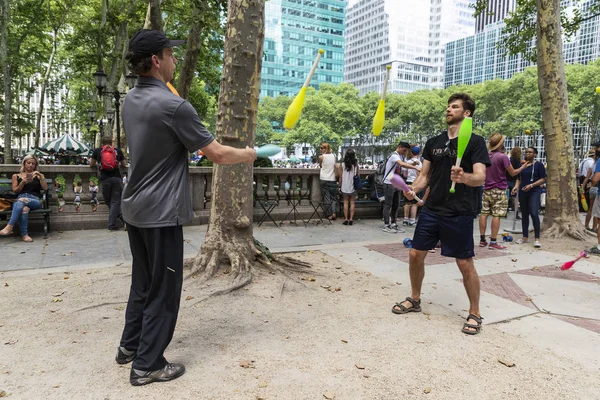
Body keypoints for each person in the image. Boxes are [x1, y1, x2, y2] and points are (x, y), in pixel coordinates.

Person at [117, 29, 256, 386]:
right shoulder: (174, 106)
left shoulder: (130, 100)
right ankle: (147, 365)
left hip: (134, 206)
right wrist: (250, 153)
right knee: (164, 289)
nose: (175, 59)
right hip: (160, 212)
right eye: (170, 54)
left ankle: (130, 347)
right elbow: (219, 154)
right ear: (155, 61)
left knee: (143, 283)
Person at [391, 93, 490, 335]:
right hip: (433, 208)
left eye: (454, 107)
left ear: (466, 113)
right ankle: (415, 299)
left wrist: (463, 177)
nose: (448, 109)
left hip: (460, 211)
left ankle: (475, 312)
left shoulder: (475, 142)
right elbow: (425, 176)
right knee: (415, 254)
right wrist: (413, 189)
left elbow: (480, 177)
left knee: (464, 262)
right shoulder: (434, 141)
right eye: (448, 106)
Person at [478, 134, 531, 250]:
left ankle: (482, 240)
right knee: (497, 215)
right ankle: (493, 241)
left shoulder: (486, 156)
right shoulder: (503, 157)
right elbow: (512, 173)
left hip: (486, 188)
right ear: (500, 144)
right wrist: (523, 167)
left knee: (484, 213)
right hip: (499, 189)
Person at [0, 155, 48, 242]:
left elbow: (45, 188)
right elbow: (15, 191)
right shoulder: (16, 176)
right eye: (28, 163)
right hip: (20, 199)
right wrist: (22, 182)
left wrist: (41, 177)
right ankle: (25, 235)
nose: (30, 165)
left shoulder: (38, 176)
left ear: (35, 165)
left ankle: (9, 226)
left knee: (21, 201)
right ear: (24, 163)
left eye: (33, 164)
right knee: (24, 208)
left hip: (35, 200)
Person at [90, 136, 127, 230]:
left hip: (105, 179)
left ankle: (112, 224)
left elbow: (91, 164)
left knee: (108, 201)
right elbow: (124, 164)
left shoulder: (98, 151)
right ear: (111, 143)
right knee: (115, 202)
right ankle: (122, 217)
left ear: (102, 143)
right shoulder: (117, 151)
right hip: (117, 178)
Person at [512, 147, 546, 248]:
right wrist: (516, 187)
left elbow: (542, 179)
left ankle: (537, 238)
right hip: (523, 191)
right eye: (526, 152)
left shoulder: (539, 165)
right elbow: (519, 178)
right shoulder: (522, 165)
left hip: (534, 191)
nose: (527, 154)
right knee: (524, 214)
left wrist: (531, 186)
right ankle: (525, 237)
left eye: (530, 152)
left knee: (534, 213)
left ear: (535, 154)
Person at [382, 141, 418, 233]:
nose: (405, 152)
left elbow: (406, 165)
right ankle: (386, 225)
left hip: (397, 183)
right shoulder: (394, 156)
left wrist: (414, 164)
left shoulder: (401, 156)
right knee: (388, 204)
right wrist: (415, 167)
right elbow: (402, 164)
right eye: (404, 150)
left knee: (396, 204)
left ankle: (393, 223)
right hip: (389, 182)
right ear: (399, 147)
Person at [402, 146, 423, 227]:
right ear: (419, 153)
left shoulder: (407, 162)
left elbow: (404, 174)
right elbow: (419, 174)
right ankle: (412, 220)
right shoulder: (419, 163)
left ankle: (405, 219)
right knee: (414, 203)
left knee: (407, 202)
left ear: (411, 152)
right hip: (415, 183)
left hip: (408, 182)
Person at [318, 142, 338, 220]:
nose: (320, 149)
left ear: (326, 149)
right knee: (333, 197)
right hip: (332, 178)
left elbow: (321, 166)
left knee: (326, 197)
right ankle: (334, 213)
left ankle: (328, 214)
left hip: (324, 178)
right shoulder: (333, 156)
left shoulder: (321, 157)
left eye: (322, 148)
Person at [339, 148, 358, 225]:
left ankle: (346, 218)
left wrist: (340, 186)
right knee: (352, 203)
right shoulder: (356, 165)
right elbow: (358, 176)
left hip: (345, 186)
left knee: (345, 202)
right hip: (353, 186)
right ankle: (351, 219)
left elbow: (340, 178)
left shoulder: (342, 165)